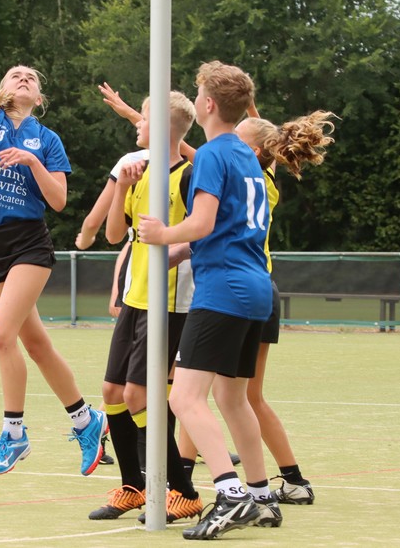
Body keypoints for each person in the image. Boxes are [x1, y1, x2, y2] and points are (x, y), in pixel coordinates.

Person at [0, 0, 106, 476]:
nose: (23, 77)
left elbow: (58, 201)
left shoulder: (47, 139)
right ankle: (87, 421)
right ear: (1, 90)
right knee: (34, 344)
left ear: (39, 97)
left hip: (30, 244)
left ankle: (14, 435)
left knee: (1, 336)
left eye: (31, 77)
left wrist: (32, 162)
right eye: (15, 74)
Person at [138, 61, 278, 540]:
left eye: (198, 93)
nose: (195, 99)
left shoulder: (215, 155)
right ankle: (262, 496)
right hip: (255, 286)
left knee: (184, 396)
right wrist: (181, 250)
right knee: (232, 399)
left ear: (209, 105)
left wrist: (161, 235)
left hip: (224, 290)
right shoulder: (243, 153)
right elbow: (225, 227)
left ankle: (231, 493)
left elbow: (201, 222)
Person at [87, 92, 204, 523]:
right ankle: (133, 486)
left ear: (164, 127)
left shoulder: (189, 176)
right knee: (112, 392)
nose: (137, 123)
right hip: (137, 296)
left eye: (144, 117)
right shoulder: (138, 171)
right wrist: (123, 186)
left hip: (171, 301)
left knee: (139, 394)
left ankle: (183, 491)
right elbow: (114, 235)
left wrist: (175, 247)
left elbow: (206, 233)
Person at [233, 104, 336, 505]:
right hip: (263, 291)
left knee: (211, 393)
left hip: (245, 292)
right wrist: (249, 105)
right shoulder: (265, 172)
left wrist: (144, 124)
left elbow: (189, 152)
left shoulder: (246, 177)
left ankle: (185, 483)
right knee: (248, 397)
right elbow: (266, 138)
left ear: (255, 150)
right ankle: (294, 480)